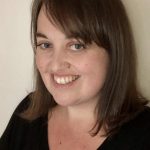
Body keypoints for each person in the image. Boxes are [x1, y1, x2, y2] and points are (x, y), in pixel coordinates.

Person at [0, 0, 150, 149]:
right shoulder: (26, 113)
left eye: (76, 46)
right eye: (45, 45)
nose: (55, 65)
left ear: (114, 51)